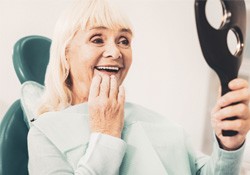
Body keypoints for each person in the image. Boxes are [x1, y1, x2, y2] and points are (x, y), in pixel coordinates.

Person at [27, 0, 250, 174]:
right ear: (65, 53)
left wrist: (229, 146)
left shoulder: (163, 125)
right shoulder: (46, 133)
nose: (115, 52)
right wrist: (105, 136)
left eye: (124, 40)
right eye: (97, 39)